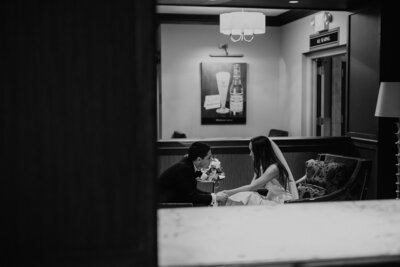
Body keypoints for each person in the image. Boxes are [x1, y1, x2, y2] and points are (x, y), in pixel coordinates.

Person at [222, 136, 299, 205]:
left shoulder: (274, 168)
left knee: (250, 197)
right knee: (247, 195)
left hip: (282, 202)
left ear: (261, 151)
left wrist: (228, 192)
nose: (250, 154)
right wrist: (230, 193)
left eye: (252, 151)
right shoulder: (262, 167)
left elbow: (252, 187)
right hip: (271, 199)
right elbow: (252, 187)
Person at [158, 142, 228, 206]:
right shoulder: (184, 168)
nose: (211, 160)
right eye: (209, 158)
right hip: (163, 206)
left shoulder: (188, 164)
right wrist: (215, 197)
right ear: (199, 159)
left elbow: (191, 191)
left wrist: (213, 195)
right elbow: (190, 196)